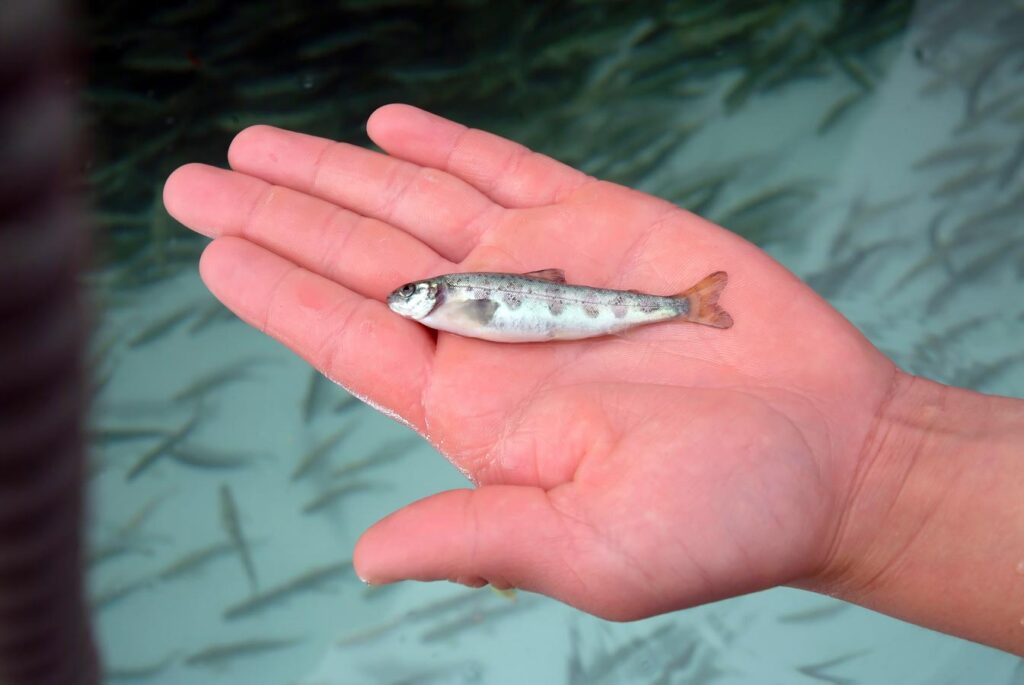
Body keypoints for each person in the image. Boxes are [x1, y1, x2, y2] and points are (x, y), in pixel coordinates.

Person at [163, 104, 1024, 656]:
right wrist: (879, 482)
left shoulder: (456, 297)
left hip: (593, 307)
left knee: (650, 309)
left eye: (416, 294)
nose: (413, 301)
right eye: (416, 297)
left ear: (436, 294)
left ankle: (685, 306)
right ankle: (683, 307)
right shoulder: (452, 300)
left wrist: (874, 483)